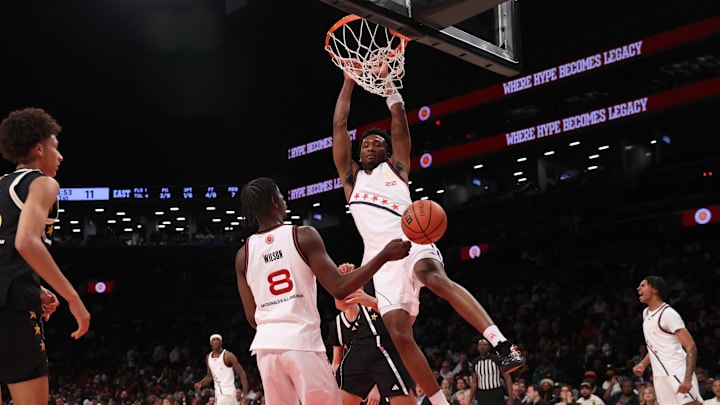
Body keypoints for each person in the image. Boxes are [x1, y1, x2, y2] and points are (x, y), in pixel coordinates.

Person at [332, 68, 524, 405]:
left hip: (413, 242)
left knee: (431, 275)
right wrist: (348, 81)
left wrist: (388, 85)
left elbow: (398, 121)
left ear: (388, 153)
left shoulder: (397, 170)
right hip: (381, 264)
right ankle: (438, 402)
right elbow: (338, 126)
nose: (371, 145)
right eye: (366, 144)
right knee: (399, 334)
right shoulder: (351, 180)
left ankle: (503, 344)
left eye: (378, 143)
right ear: (358, 154)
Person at [234, 177, 411, 405]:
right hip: (301, 341)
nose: (283, 198)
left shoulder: (243, 254)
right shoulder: (302, 236)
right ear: (273, 202)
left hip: (266, 347)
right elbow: (339, 288)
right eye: (279, 194)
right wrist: (384, 255)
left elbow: (251, 317)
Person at [0, 107, 91, 405]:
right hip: (13, 309)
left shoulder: (0, 185)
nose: (60, 156)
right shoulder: (43, 183)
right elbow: (25, 241)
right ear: (39, 149)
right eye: (56, 147)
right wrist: (73, 298)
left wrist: (32, 285)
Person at [330, 264, 417, 405]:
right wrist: (343, 281)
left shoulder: (399, 276)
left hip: (388, 345)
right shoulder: (364, 273)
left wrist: (371, 302)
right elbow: (342, 305)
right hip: (361, 346)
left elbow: (406, 319)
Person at [633, 275, 702, 405]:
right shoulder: (646, 313)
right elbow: (655, 347)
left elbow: (691, 347)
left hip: (677, 371)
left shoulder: (668, 314)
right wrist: (643, 364)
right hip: (659, 376)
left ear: (655, 289)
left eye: (643, 285)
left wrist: (687, 379)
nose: (638, 288)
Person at [193, 333, 249, 405]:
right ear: (210, 343)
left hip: (227, 392)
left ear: (221, 342)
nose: (216, 342)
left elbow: (242, 373)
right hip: (219, 392)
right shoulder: (208, 357)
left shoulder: (228, 356)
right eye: (213, 340)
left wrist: (245, 394)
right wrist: (201, 383)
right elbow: (209, 376)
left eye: (217, 340)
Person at [468, 339, 513, 405]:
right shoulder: (475, 362)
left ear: (489, 347)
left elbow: (507, 378)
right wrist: (469, 400)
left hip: (496, 394)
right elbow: (474, 383)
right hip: (482, 395)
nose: (482, 347)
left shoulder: (496, 359)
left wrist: (510, 397)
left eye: (484, 345)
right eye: (480, 345)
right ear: (477, 348)